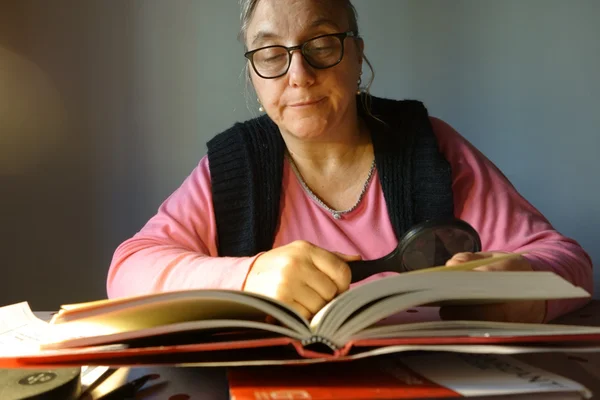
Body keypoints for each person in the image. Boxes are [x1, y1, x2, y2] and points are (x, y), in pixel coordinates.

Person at [106, 0, 592, 324]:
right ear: (254, 74)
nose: (298, 74)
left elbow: (569, 262)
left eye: (321, 46)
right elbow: (127, 272)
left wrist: (522, 289)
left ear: (357, 55)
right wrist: (249, 276)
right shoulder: (236, 164)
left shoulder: (428, 148)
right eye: (272, 54)